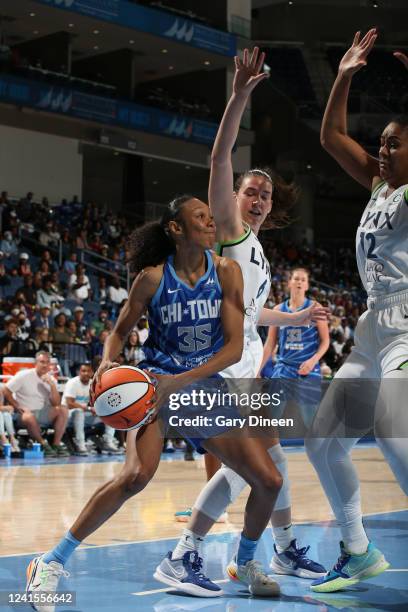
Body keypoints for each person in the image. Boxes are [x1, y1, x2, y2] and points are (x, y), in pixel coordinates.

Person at [26, 195, 284, 609]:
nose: (211, 220)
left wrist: (179, 381)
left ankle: (247, 562)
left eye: (210, 214)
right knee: (135, 477)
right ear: (176, 229)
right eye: (200, 216)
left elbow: (235, 349)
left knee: (269, 480)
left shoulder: (227, 271)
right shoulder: (150, 278)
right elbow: (119, 330)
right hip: (154, 387)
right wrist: (108, 363)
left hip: (201, 385)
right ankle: (51, 561)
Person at [168, 47, 327, 588]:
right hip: (225, 371)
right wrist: (237, 98)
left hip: (245, 368)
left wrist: (295, 317)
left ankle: (279, 548)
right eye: (250, 192)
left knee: (271, 468)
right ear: (233, 199)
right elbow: (218, 160)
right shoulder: (231, 233)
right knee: (249, 474)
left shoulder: (255, 250)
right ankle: (188, 551)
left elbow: (254, 313)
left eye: (264, 195)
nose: (258, 199)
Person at [305, 29, 408, 593]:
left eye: (396, 143)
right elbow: (332, 135)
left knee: (396, 435)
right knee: (323, 440)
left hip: (407, 326)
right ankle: (358, 550)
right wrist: (343, 74)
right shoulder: (378, 186)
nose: (385, 150)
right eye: (384, 142)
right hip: (373, 325)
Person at [260, 267, 330, 428]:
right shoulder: (278, 310)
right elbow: (270, 343)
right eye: (296, 279)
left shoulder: (316, 308)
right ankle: (270, 452)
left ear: (307, 286)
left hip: (308, 368)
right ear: (289, 283)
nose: (299, 282)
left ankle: (320, 451)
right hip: (283, 367)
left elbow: (325, 341)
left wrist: (313, 361)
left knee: (310, 420)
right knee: (271, 418)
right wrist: (258, 369)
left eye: (303, 280)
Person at [3, 351, 69, 457]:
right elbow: (6, 390)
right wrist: (17, 406)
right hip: (24, 414)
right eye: (42, 362)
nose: (45, 365)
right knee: (29, 416)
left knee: (63, 409)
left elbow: (56, 403)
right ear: (36, 363)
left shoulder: (51, 379)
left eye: (47, 362)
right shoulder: (24, 375)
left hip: (43, 412)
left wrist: (52, 386)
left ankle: (56, 445)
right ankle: (43, 444)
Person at [62, 362, 118, 456]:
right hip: (68, 416)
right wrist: (89, 408)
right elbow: (69, 403)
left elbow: (97, 402)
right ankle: (80, 445)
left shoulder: (93, 383)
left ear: (92, 373)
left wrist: (97, 409)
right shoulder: (72, 383)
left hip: (84, 416)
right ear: (78, 372)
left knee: (109, 413)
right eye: (83, 371)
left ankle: (108, 441)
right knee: (79, 412)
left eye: (88, 371)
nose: (86, 373)